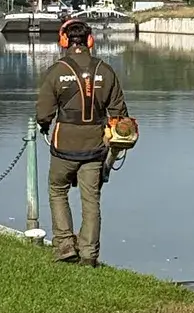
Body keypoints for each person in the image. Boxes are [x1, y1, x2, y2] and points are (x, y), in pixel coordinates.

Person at [35, 19, 129, 266]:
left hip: (64, 145)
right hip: (95, 146)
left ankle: (65, 245)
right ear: (90, 40)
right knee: (91, 200)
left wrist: (45, 124)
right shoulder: (105, 71)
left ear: (64, 41)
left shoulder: (56, 71)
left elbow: (43, 113)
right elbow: (119, 114)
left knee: (58, 190)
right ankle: (89, 255)